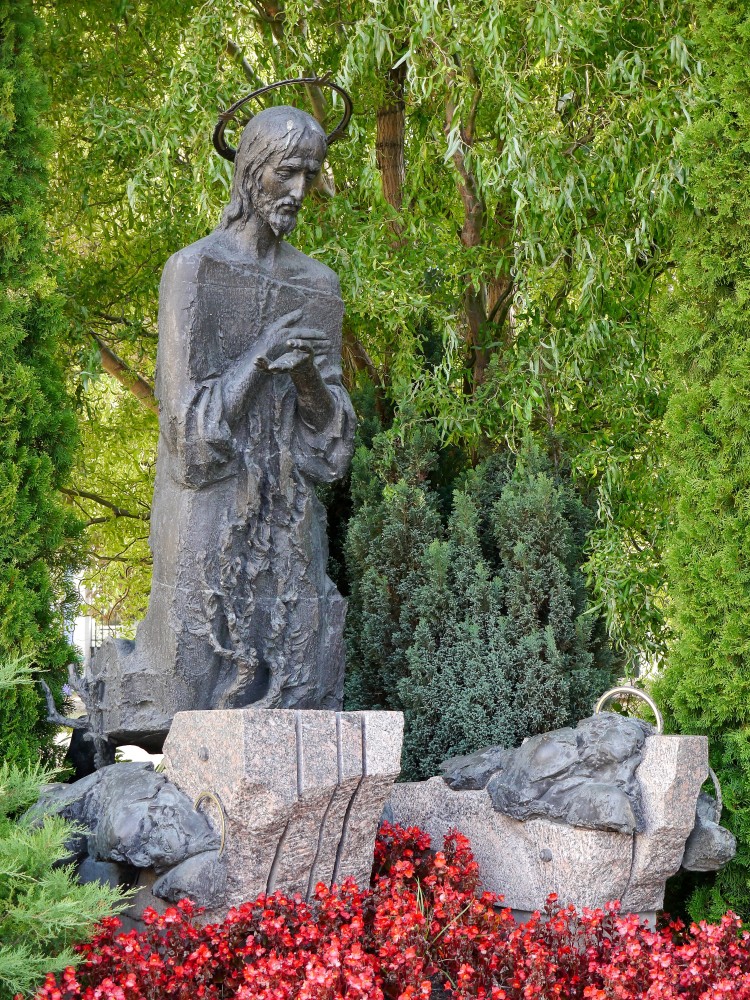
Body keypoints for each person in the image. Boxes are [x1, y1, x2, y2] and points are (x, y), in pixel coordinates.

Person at [78, 105, 356, 754]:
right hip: (208, 517)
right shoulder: (194, 270)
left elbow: (333, 449)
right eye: (287, 172)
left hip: (288, 522)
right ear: (252, 171)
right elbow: (186, 433)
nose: (299, 191)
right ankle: (109, 710)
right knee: (192, 686)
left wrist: (309, 379)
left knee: (299, 686)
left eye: (311, 175)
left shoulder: (319, 287)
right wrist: (258, 360)